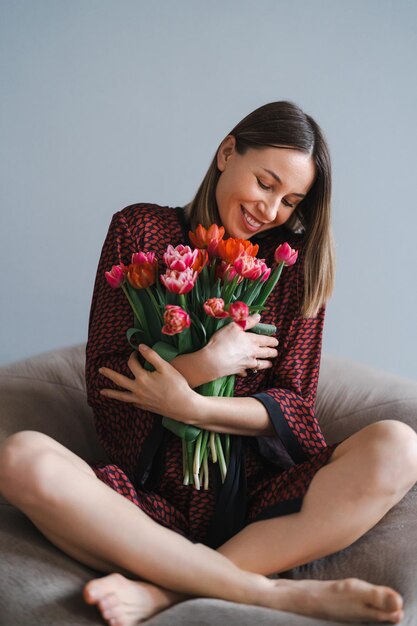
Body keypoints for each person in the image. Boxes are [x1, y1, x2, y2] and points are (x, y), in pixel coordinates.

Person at [0, 101, 415, 625]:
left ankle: (164, 592)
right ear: (226, 153)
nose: (271, 210)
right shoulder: (139, 230)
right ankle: (273, 595)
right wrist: (205, 362)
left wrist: (189, 406)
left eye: (290, 200)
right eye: (265, 183)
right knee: (19, 458)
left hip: (263, 508)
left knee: (400, 446)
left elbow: (295, 407)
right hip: (144, 505)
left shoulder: (293, 264)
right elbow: (107, 375)